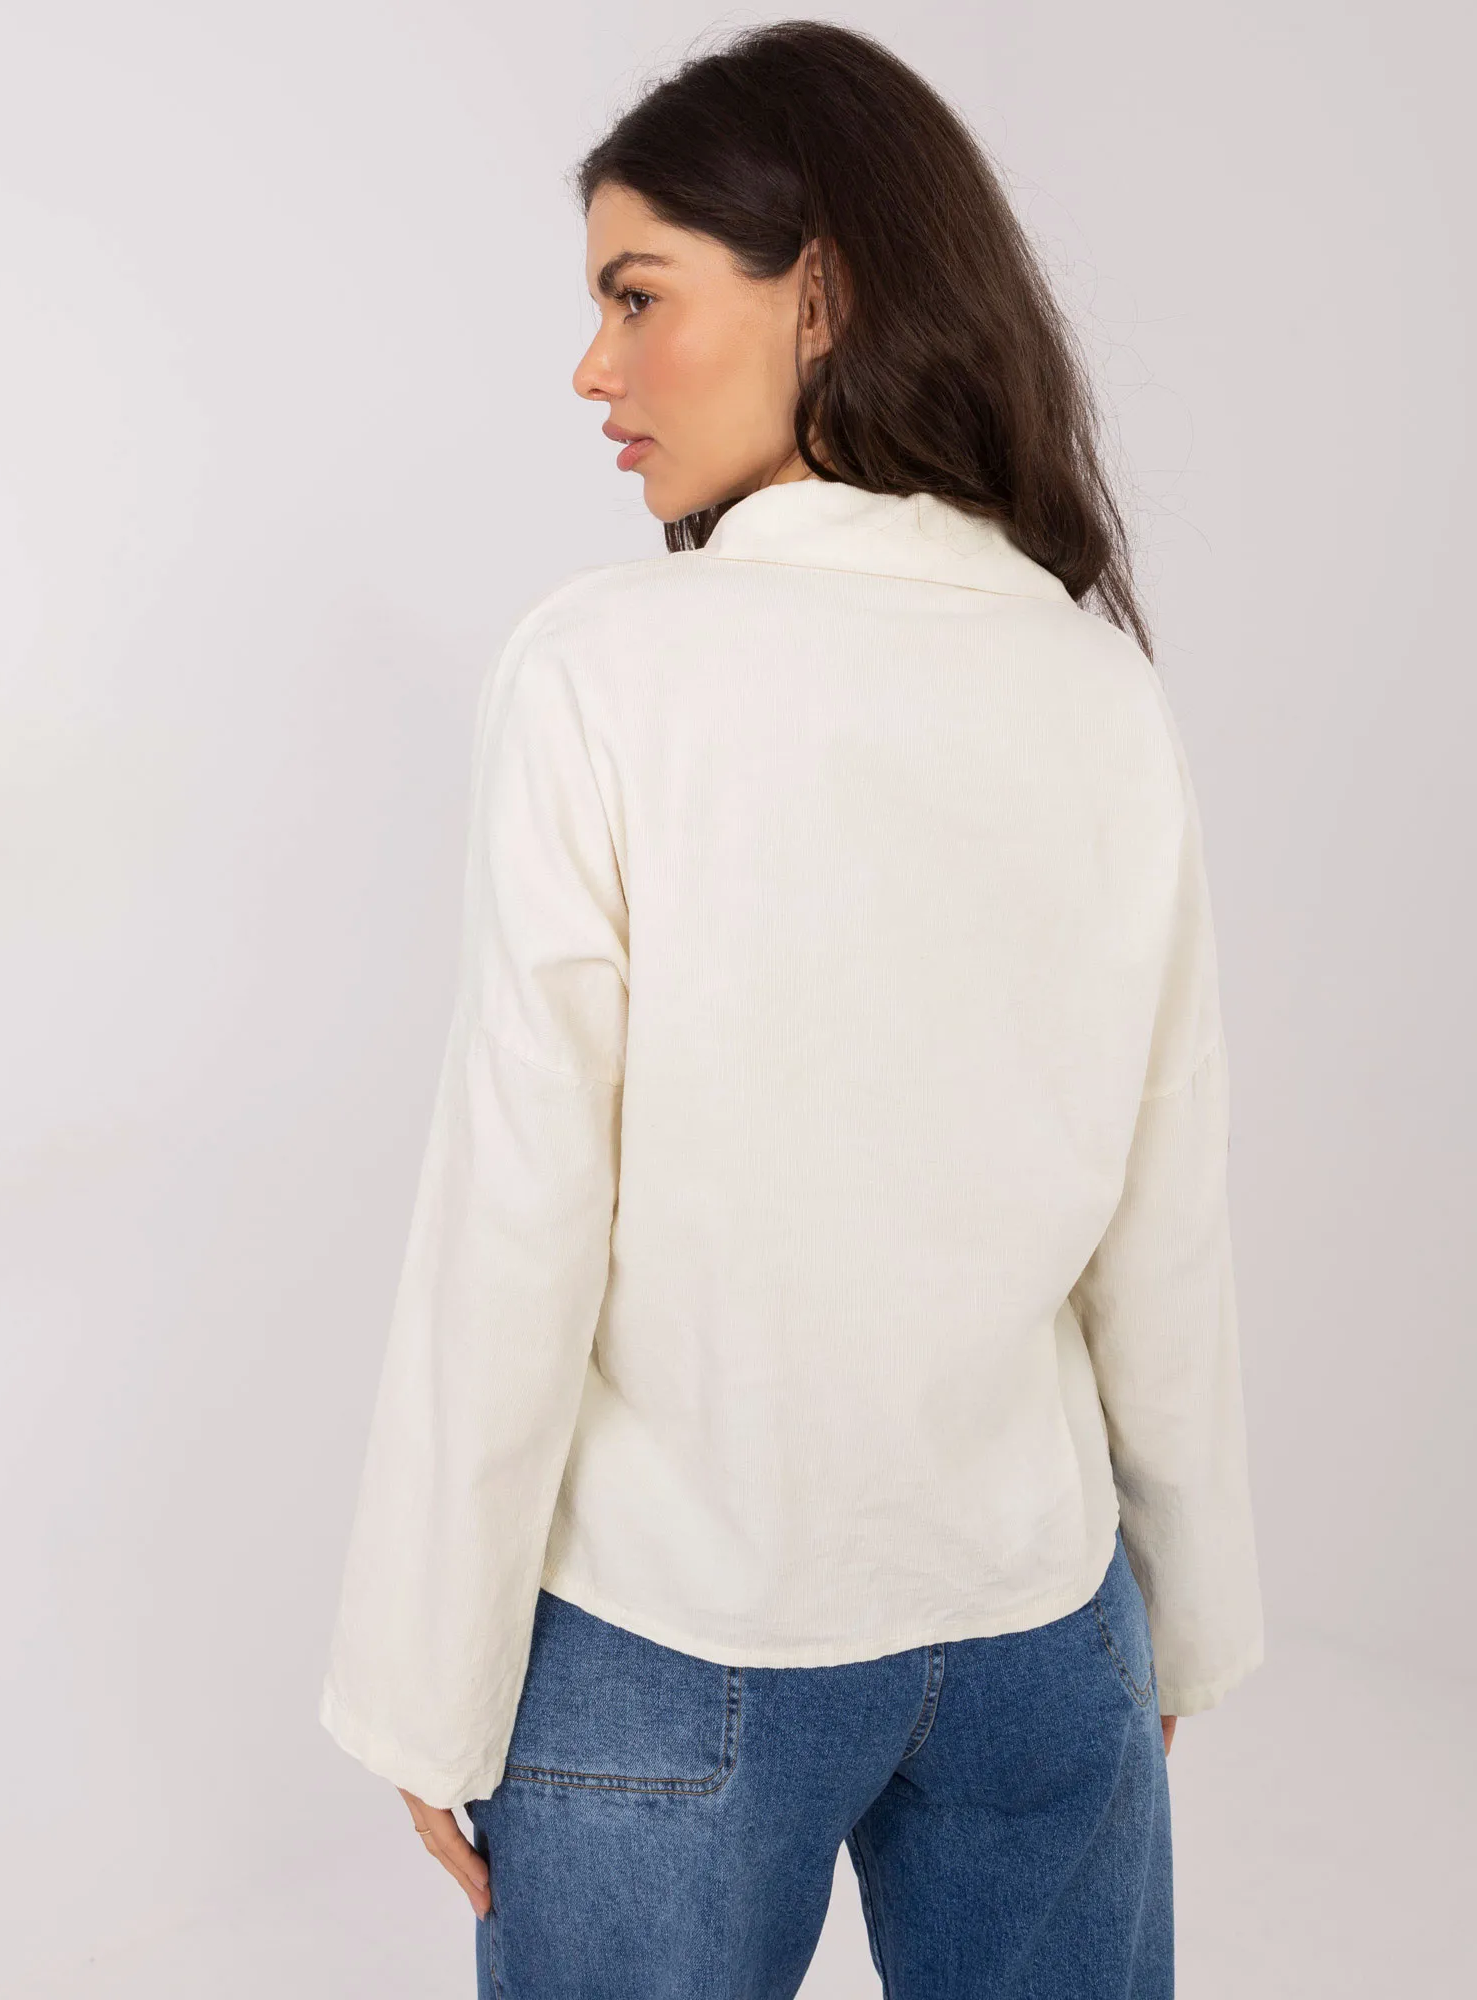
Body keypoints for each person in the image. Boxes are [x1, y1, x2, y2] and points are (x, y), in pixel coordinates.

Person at [318, 20, 1264, 1997]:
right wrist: (1181, 1620)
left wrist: (425, 1678)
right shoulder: (1096, 684)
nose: (593, 370)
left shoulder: (602, 671)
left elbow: (519, 1215)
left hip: (677, 1638)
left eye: (636, 296)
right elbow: (1162, 1202)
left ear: (818, 292)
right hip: (1039, 1631)